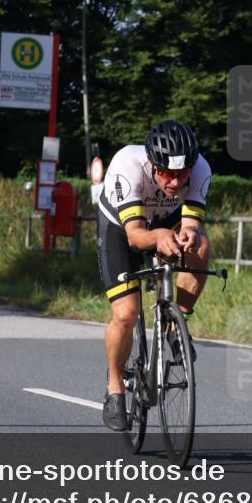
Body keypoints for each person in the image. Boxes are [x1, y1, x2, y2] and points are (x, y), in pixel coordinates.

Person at [96, 120, 212, 431]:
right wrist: (158, 236)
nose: (175, 182)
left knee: (200, 244)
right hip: (121, 227)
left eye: (182, 173)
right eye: (167, 174)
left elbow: (190, 224)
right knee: (126, 314)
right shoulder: (127, 164)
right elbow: (135, 236)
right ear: (152, 164)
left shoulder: (201, 168)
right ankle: (115, 386)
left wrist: (186, 237)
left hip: (166, 219)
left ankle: (177, 325)